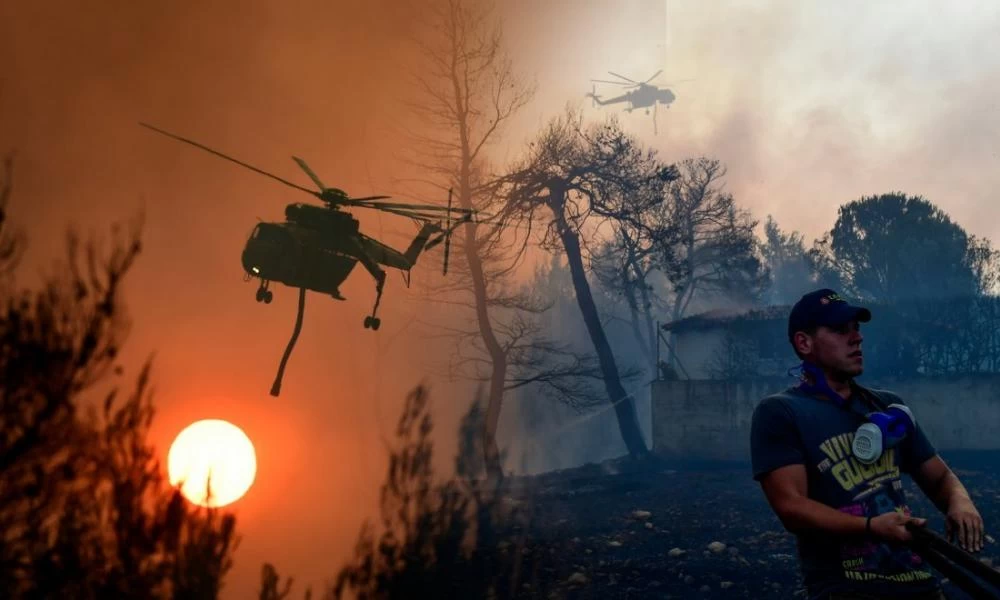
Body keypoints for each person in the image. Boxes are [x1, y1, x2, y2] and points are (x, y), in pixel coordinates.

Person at [750, 288, 986, 600]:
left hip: (918, 583)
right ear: (804, 343)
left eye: (856, 329)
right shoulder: (780, 412)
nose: (856, 338)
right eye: (839, 330)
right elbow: (791, 507)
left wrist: (960, 502)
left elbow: (940, 476)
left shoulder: (889, 407)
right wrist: (872, 526)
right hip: (846, 588)